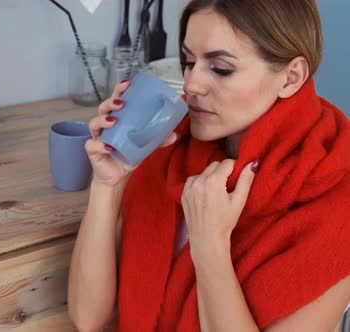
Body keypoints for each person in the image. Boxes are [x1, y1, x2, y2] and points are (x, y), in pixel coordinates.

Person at [67, 0, 350, 331]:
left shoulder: (337, 203)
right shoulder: (168, 149)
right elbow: (89, 318)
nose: (191, 84)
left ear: (291, 77)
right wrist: (106, 184)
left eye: (221, 69)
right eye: (188, 61)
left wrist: (210, 244)